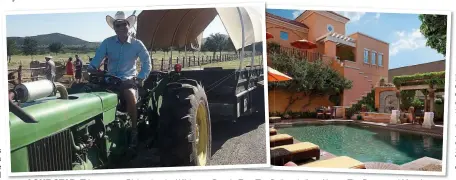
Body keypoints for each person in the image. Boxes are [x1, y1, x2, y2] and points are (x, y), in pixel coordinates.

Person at [88, 11, 152, 150]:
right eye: (118, 25)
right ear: (114, 28)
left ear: (129, 26)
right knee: (88, 93)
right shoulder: (107, 43)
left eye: (124, 24)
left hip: (127, 80)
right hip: (109, 79)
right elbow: (97, 59)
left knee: (130, 95)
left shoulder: (137, 44)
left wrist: (140, 78)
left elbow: (147, 62)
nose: (121, 27)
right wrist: (92, 68)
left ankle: (134, 130)